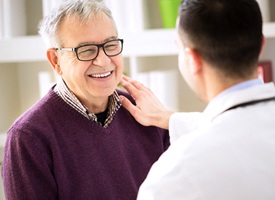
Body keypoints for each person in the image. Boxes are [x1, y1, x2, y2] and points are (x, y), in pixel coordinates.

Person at [1, 1, 170, 199]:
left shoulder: (147, 113)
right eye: (87, 50)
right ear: (56, 61)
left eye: (111, 45)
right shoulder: (28, 137)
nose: (104, 60)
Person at [119, 0, 275, 199]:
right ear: (261, 44)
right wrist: (170, 118)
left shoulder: (176, 173)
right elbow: (242, 128)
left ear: (192, 59)